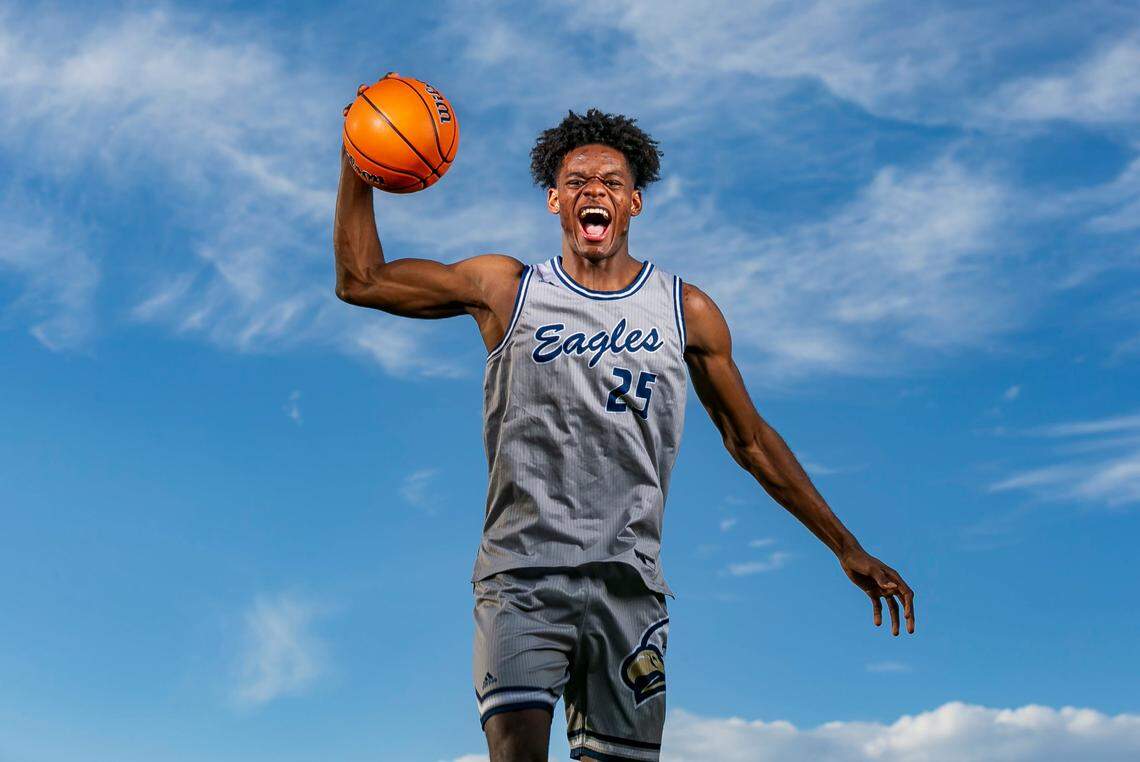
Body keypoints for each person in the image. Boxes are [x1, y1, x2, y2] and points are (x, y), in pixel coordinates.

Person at [333, 104, 916, 762]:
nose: (594, 191)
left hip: (630, 586)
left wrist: (845, 545)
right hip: (521, 577)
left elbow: (750, 439)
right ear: (554, 199)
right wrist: (359, 159)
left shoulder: (684, 310)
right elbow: (361, 280)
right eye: (577, 180)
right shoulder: (506, 289)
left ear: (634, 202)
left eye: (611, 181)